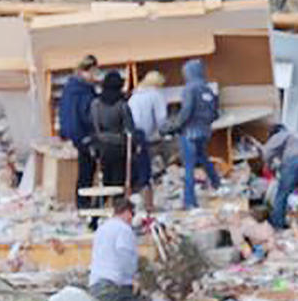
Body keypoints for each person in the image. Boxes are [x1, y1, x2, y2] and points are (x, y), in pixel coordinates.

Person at [163, 58, 221, 209]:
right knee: (204, 159)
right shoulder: (207, 89)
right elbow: (216, 113)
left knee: (189, 166)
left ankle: (189, 201)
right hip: (204, 131)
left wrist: (173, 126)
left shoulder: (189, 89)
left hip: (189, 132)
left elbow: (186, 112)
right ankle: (217, 185)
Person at [88, 197, 149, 301]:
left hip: (95, 285)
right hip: (114, 286)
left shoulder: (102, 229)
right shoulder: (124, 230)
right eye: (132, 214)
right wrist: (133, 279)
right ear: (127, 212)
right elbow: (125, 258)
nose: (132, 219)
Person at [58, 56, 100, 206]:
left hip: (77, 135)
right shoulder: (82, 90)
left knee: (85, 171)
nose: (96, 75)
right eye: (94, 71)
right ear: (85, 71)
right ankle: (84, 204)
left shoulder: (71, 88)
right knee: (87, 171)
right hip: (83, 135)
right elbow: (84, 114)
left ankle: (83, 203)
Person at [128, 70, 170, 212]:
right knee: (149, 172)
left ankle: (135, 202)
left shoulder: (135, 95)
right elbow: (161, 118)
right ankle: (149, 205)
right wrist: (164, 132)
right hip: (148, 137)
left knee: (137, 171)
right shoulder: (156, 95)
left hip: (132, 137)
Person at [89, 71, 136, 196]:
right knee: (118, 180)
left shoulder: (96, 104)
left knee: (105, 179)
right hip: (119, 146)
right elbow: (129, 127)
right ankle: (118, 206)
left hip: (102, 145)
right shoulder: (122, 105)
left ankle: (102, 207)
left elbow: (94, 125)